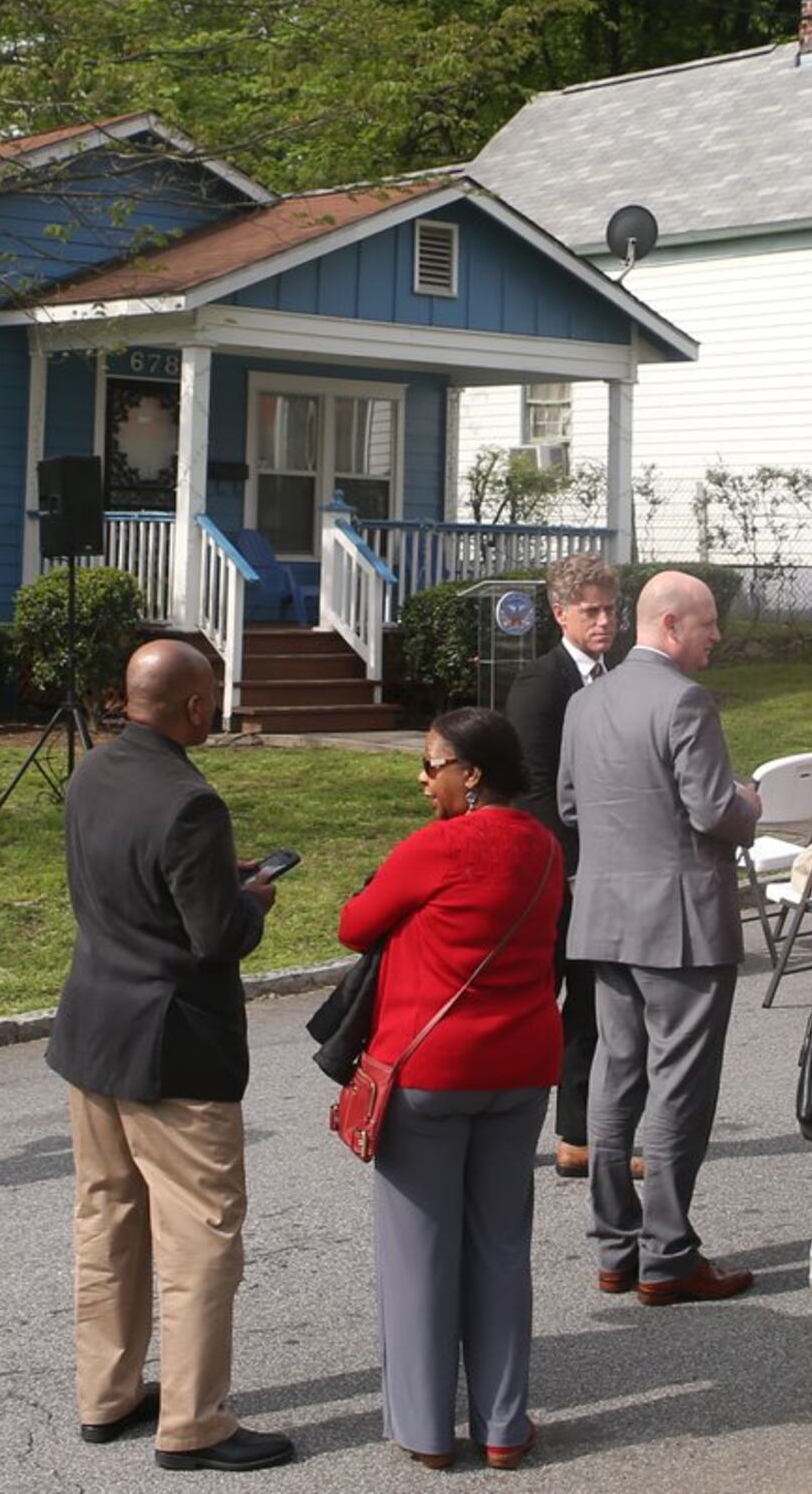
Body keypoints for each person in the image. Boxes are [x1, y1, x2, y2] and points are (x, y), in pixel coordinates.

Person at [48, 638, 294, 1472]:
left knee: (108, 1217)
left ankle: (107, 1393)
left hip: (93, 1030)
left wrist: (213, 878)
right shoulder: (192, 801)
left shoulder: (92, 771)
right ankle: (195, 1423)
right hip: (173, 1046)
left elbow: (126, 879)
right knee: (199, 1233)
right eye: (210, 694)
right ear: (193, 707)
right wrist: (248, 897)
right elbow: (215, 936)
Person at [338, 706, 567, 1473]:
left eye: (432, 762)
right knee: (502, 1248)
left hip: (431, 1070)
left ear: (471, 773)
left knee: (419, 1252)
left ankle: (426, 1429)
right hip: (522, 1068)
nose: (423, 776)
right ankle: (504, 1425)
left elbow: (354, 923)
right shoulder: (543, 847)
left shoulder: (434, 848)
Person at [556, 570, 762, 1306]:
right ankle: (668, 1252)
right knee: (680, 1084)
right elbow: (713, 812)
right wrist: (751, 803)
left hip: (606, 915)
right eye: (708, 626)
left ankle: (616, 1244)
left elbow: (570, 806)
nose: (715, 638)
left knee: (618, 1076)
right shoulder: (684, 699)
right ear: (673, 625)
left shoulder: (586, 702)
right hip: (681, 922)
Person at [502, 552, 623, 1179]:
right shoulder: (541, 684)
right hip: (553, 874)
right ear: (559, 614)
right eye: (591, 611)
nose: (604, 622)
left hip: (604, 871)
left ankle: (576, 1135)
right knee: (534, 1002)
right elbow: (533, 788)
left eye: (611, 610)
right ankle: (506, 1132)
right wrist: (571, 867)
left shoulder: (617, 675)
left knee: (590, 1005)